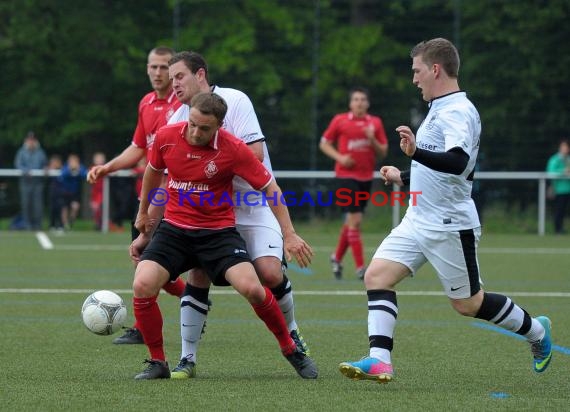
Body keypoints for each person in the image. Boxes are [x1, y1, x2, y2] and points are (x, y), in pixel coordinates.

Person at [339, 38, 553, 383]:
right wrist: (403, 176)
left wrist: (413, 155)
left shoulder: (458, 111)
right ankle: (379, 360)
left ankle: (537, 333)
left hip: (449, 225)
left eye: (417, 71)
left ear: (435, 69)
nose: (414, 79)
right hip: (417, 219)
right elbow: (438, 171)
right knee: (376, 275)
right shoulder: (439, 108)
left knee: (468, 304)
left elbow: (458, 163)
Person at [129, 92, 317, 380]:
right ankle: (158, 362)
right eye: (192, 123)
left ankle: (290, 348)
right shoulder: (167, 137)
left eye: (204, 128)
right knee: (142, 283)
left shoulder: (233, 148)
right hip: (175, 231)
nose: (195, 132)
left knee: (253, 288)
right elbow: (153, 175)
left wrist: (289, 234)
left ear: (219, 126)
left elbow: (270, 188)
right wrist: (144, 216)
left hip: (218, 233)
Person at [86, 46, 185, 344]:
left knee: (155, 262)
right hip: (150, 195)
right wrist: (108, 168)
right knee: (143, 260)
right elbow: (139, 147)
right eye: (152, 67)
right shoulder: (146, 103)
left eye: (164, 67)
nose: (157, 72)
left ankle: (152, 325)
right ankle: (193, 301)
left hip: (175, 196)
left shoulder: (182, 105)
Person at [319, 87, 388, 280]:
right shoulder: (340, 120)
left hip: (365, 179)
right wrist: (340, 158)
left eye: (363, 99)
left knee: (351, 222)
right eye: (356, 99)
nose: (359, 103)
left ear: (367, 103)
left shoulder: (375, 123)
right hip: (345, 177)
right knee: (355, 220)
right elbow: (324, 143)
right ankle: (360, 268)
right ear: (351, 103)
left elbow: (382, 152)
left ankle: (336, 258)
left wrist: (371, 138)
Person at [14, 131, 48, 230]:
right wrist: (26, 171)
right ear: (26, 141)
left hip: (37, 182)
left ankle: (37, 225)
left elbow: (44, 163)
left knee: (38, 205)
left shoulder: (40, 152)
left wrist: (46, 168)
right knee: (26, 204)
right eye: (29, 140)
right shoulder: (21, 152)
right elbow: (18, 164)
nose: (31, 142)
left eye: (33, 140)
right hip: (25, 182)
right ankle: (27, 225)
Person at [546, 139, 570, 234]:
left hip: (568, 189)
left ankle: (561, 229)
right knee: (559, 211)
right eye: (563, 147)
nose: (565, 149)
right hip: (559, 189)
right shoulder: (554, 159)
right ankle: (558, 229)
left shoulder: (568, 159)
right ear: (560, 148)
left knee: (564, 211)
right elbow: (551, 172)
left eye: (566, 147)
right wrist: (563, 172)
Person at [59, 154, 87, 230]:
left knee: (75, 207)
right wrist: (69, 169)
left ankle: (70, 222)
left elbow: (85, 174)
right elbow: (62, 175)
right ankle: (64, 225)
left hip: (75, 192)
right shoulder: (65, 167)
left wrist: (78, 169)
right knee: (64, 209)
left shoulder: (80, 167)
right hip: (65, 191)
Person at [47, 154, 65, 231]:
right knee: (52, 210)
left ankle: (61, 225)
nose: (54, 164)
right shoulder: (50, 172)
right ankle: (52, 225)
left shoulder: (63, 171)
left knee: (60, 210)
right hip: (52, 194)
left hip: (61, 194)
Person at [89, 152, 106, 230]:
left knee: (100, 208)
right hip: (95, 192)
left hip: (103, 191)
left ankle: (101, 224)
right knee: (95, 208)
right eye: (97, 159)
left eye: (100, 159)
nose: (99, 160)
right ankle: (97, 224)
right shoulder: (92, 169)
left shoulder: (106, 168)